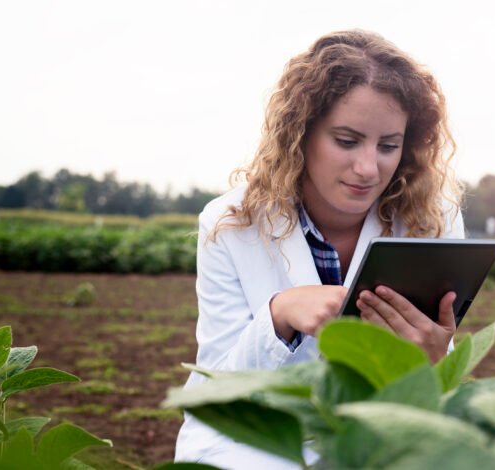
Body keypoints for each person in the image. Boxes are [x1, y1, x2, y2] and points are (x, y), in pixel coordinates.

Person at [174, 29, 465, 468]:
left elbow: (436, 379)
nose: (368, 168)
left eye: (388, 145)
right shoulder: (229, 224)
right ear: (301, 132)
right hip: (257, 447)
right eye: (346, 141)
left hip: (379, 437)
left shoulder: (433, 216)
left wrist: (432, 361)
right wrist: (278, 316)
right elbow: (214, 392)